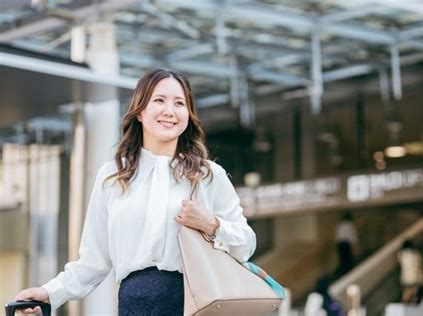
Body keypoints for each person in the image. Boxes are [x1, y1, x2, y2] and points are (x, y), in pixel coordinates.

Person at [13, 68, 257, 315]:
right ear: (140, 111)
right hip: (134, 305)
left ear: (188, 114)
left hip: (194, 304)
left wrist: (212, 224)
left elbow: (246, 245)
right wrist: (49, 293)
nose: (169, 111)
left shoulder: (208, 174)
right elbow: (93, 262)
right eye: (159, 100)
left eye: (179, 103)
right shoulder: (113, 175)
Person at [397, 239, 423, 304]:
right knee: (414, 294)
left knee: (406, 293)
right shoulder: (415, 254)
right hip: (415, 278)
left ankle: (403, 305)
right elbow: (420, 265)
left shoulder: (401, 255)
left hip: (405, 278)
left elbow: (399, 264)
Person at [335, 212, 358, 276]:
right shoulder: (351, 225)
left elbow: (337, 236)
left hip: (340, 244)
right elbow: (353, 237)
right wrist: (354, 248)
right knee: (348, 260)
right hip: (346, 244)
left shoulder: (340, 224)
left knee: (342, 260)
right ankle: (348, 273)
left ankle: (342, 273)